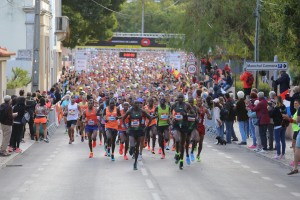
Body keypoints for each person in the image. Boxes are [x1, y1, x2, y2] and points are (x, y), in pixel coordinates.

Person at [122, 99, 152, 170]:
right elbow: (123, 119)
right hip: (132, 130)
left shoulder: (142, 111)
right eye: (136, 103)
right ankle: (131, 149)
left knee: (137, 147)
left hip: (139, 131)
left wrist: (146, 127)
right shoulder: (130, 111)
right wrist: (126, 128)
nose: (137, 105)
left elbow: (150, 118)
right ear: (133, 104)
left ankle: (135, 163)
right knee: (132, 146)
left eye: (138, 104)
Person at [171, 93, 195, 170]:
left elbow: (193, 114)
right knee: (177, 140)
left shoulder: (187, 105)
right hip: (176, 125)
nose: (180, 98)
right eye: (179, 97)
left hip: (184, 125)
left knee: (182, 144)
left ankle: (181, 161)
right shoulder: (174, 105)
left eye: (182, 97)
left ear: (184, 98)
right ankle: (177, 153)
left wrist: (186, 114)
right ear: (177, 98)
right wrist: (172, 118)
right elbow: (169, 114)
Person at [191, 97, 211, 162]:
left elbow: (209, 116)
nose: (199, 102)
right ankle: (194, 146)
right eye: (198, 101)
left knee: (201, 142)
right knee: (196, 140)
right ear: (196, 102)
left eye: (200, 101)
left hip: (202, 127)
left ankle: (198, 155)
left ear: (202, 102)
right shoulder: (193, 108)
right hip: (195, 126)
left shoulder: (204, 109)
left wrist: (209, 117)